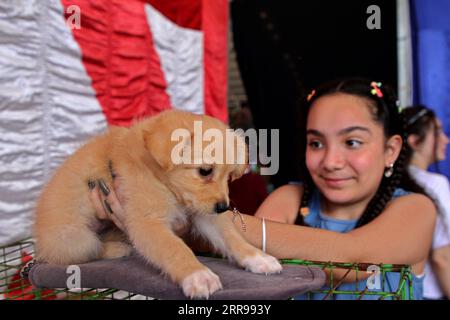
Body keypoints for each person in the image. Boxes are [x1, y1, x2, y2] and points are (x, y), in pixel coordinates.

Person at [89, 78, 436, 300]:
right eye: (316, 144)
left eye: (353, 142)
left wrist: (202, 219)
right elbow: (247, 280)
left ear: (391, 150)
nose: (331, 160)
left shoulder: (415, 210)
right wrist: (152, 213)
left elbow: (354, 258)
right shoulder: (288, 200)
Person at [403, 105, 450, 300]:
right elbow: (442, 258)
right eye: (437, 132)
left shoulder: (386, 184)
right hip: (428, 293)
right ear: (414, 141)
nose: (445, 139)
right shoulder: (435, 184)